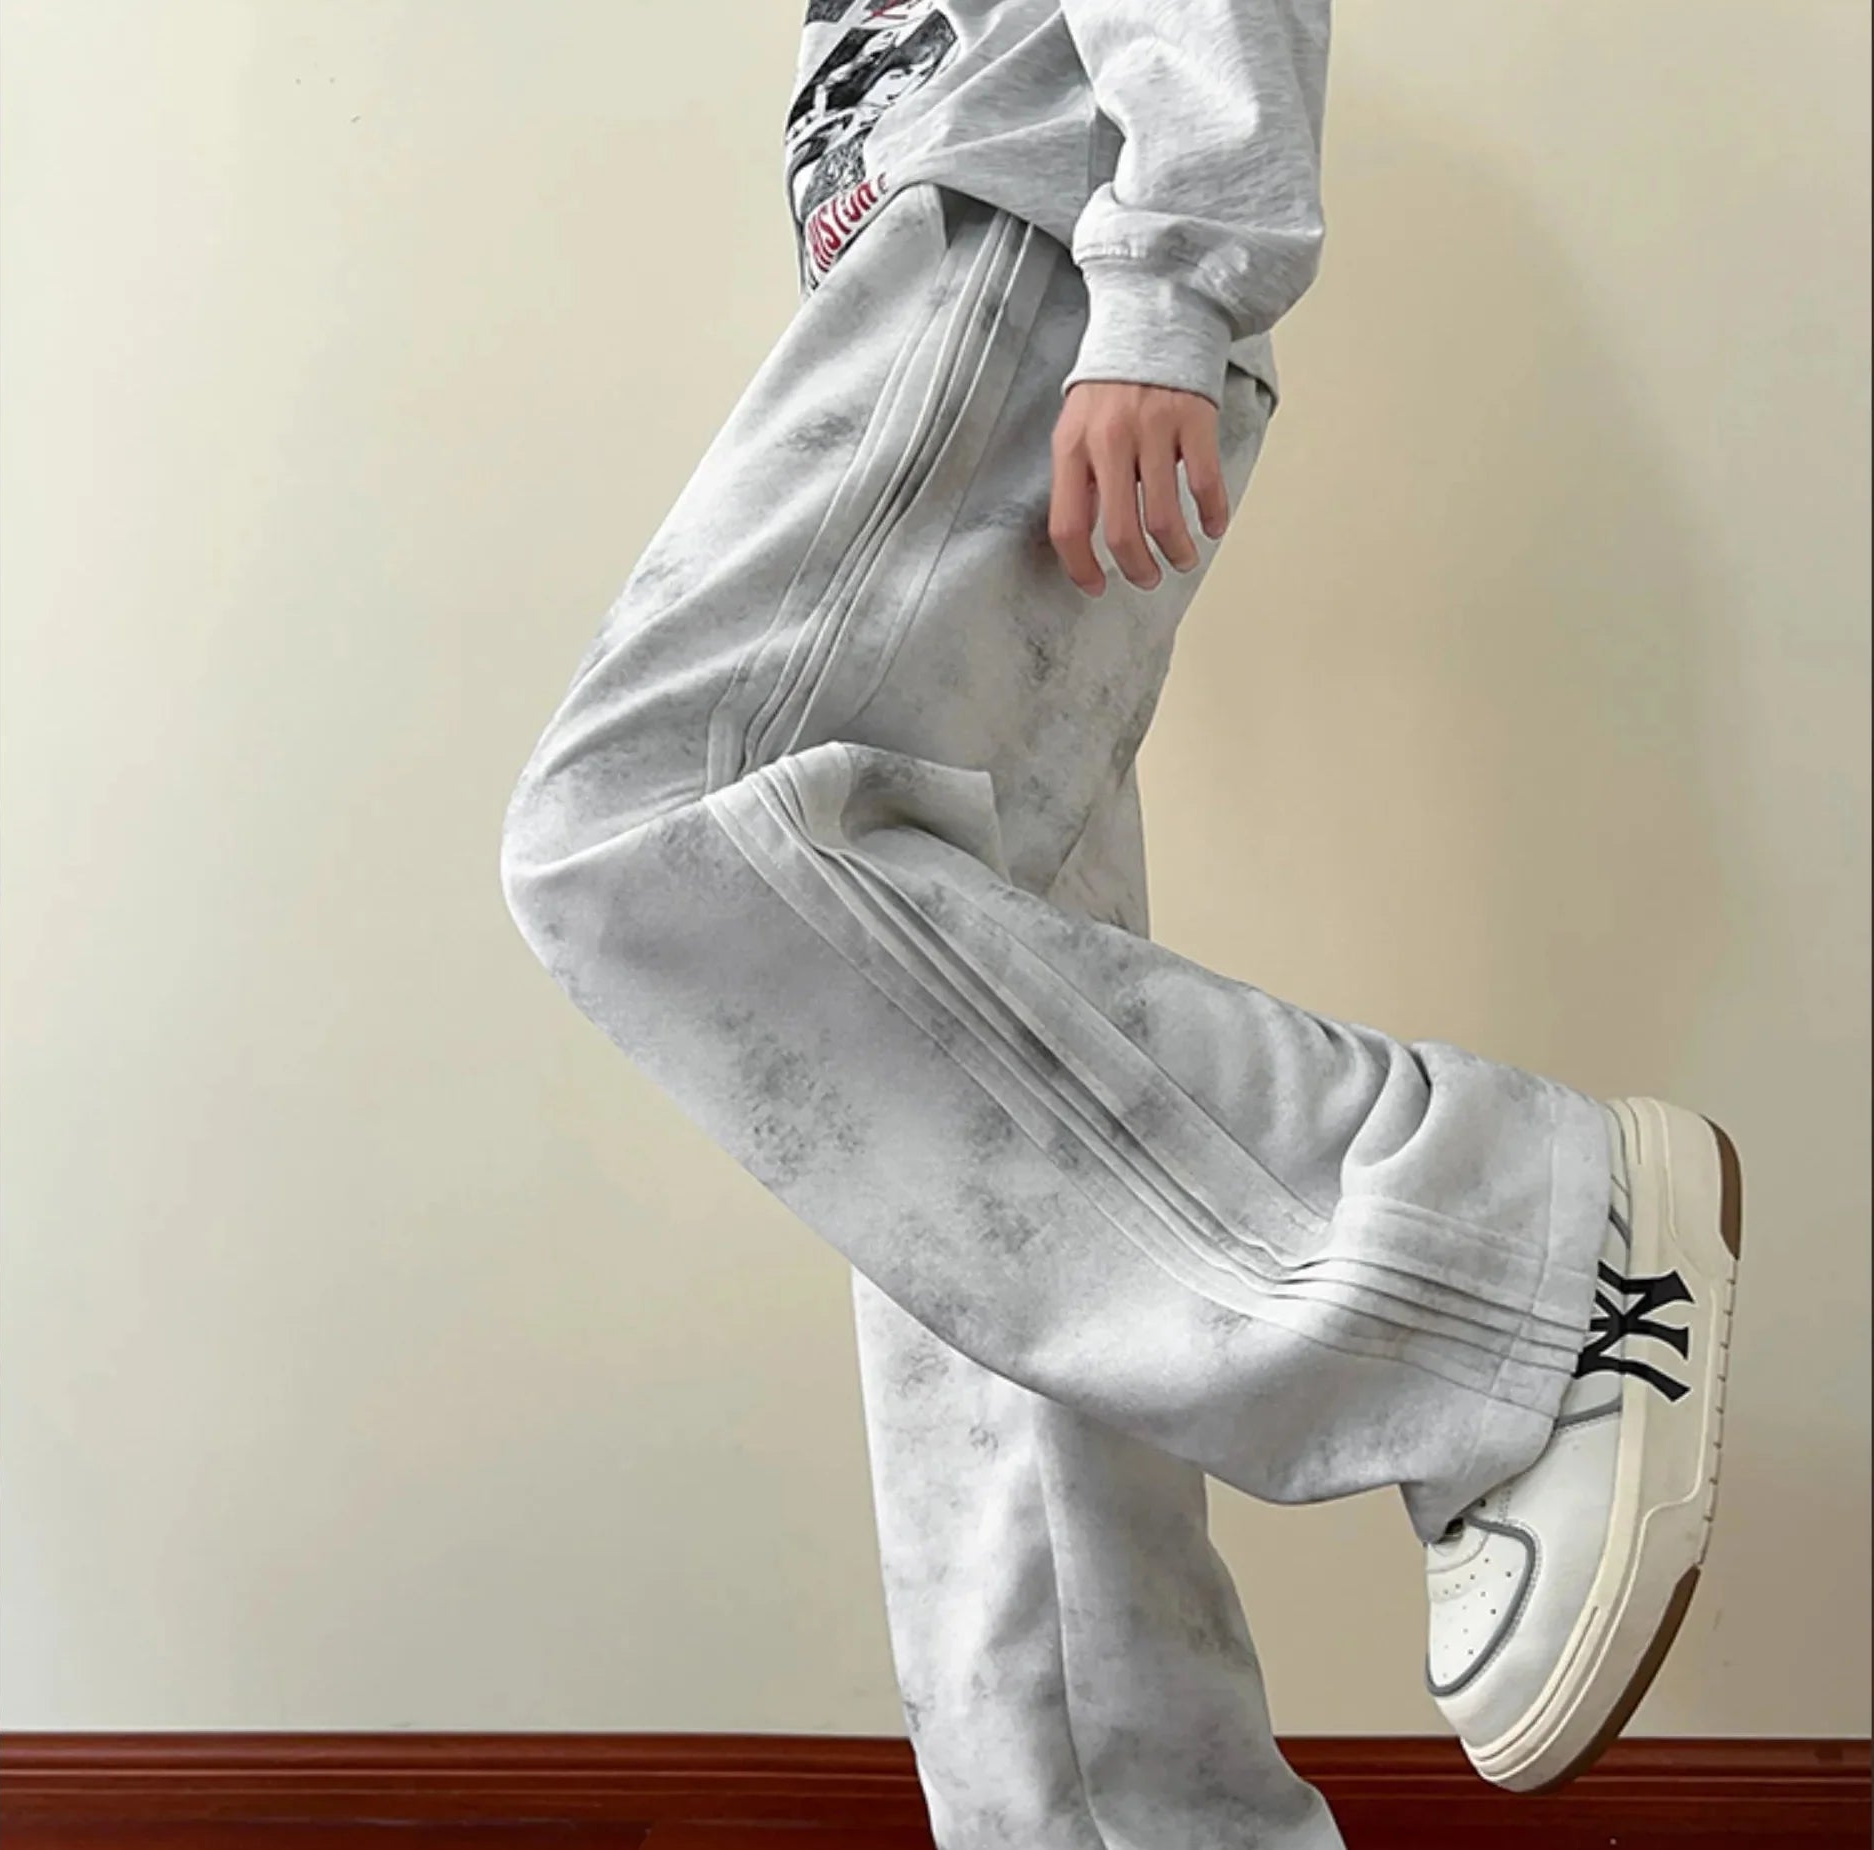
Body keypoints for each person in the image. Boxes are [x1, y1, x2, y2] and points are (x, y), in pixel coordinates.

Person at [498, 4, 1743, 1843]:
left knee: (637, 826)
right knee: (970, 1180)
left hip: (1012, 241)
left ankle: (1507, 1263)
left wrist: (1167, 281)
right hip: (970, 260)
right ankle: (1136, 1819)